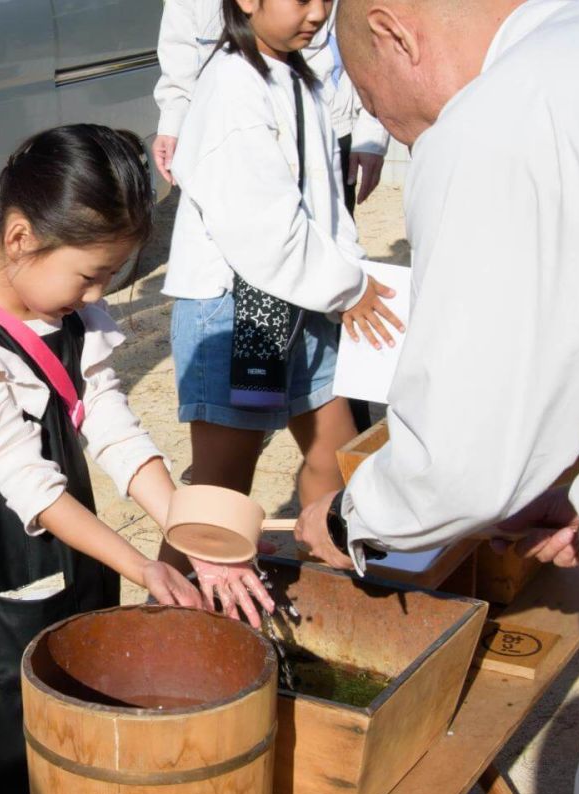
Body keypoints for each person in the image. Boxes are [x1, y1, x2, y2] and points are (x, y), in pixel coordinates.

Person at [293, 1, 579, 794]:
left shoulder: (504, 109)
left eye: (378, 108)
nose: (403, 138)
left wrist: (350, 518)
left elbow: (463, 458)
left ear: (394, 33)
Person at [0, 125, 270, 794]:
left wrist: (191, 536)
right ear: (19, 238)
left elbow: (116, 431)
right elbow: (32, 490)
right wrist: (144, 564)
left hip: (74, 567)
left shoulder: (67, 318)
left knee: (78, 744)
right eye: (90, 275)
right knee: (1, 758)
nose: (96, 295)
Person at [162, 0, 403, 607]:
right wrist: (346, 288)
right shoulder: (233, 87)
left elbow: (324, 203)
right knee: (219, 491)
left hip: (308, 298)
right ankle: (167, 615)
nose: (319, 12)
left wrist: (343, 278)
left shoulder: (294, 71)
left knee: (334, 451)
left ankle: (335, 591)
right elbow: (260, 228)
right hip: (245, 307)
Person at [153, 0, 390, 216]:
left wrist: (371, 132)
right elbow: (179, 47)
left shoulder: (309, 94)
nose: (318, 14)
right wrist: (172, 121)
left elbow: (363, 39)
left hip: (326, 129)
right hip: (233, 132)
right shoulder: (224, 92)